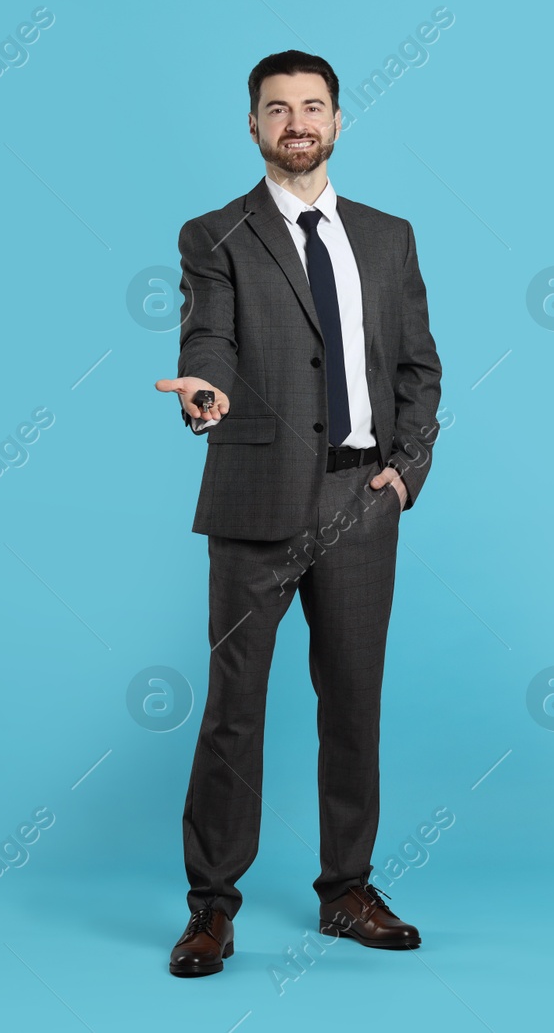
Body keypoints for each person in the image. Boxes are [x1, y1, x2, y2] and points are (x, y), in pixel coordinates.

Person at [152, 49, 443, 977]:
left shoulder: (389, 236)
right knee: (235, 709)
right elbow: (209, 335)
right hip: (254, 496)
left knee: (354, 704)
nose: (296, 122)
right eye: (277, 109)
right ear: (252, 125)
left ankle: (347, 890)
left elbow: (418, 369)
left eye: (312, 106)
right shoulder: (216, 233)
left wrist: (404, 472)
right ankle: (211, 908)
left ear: (339, 120)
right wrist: (205, 391)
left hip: (363, 501)